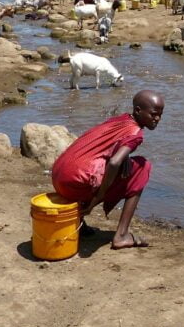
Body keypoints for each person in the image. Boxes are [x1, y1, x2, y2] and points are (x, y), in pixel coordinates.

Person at [51, 90, 165, 249]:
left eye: (160, 114)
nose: (157, 119)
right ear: (138, 111)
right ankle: (122, 235)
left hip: (58, 177)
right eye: (153, 114)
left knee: (98, 167)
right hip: (75, 184)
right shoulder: (136, 134)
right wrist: (99, 196)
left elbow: (107, 142)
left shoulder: (120, 119)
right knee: (143, 167)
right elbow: (113, 163)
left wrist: (125, 157)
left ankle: (78, 221)